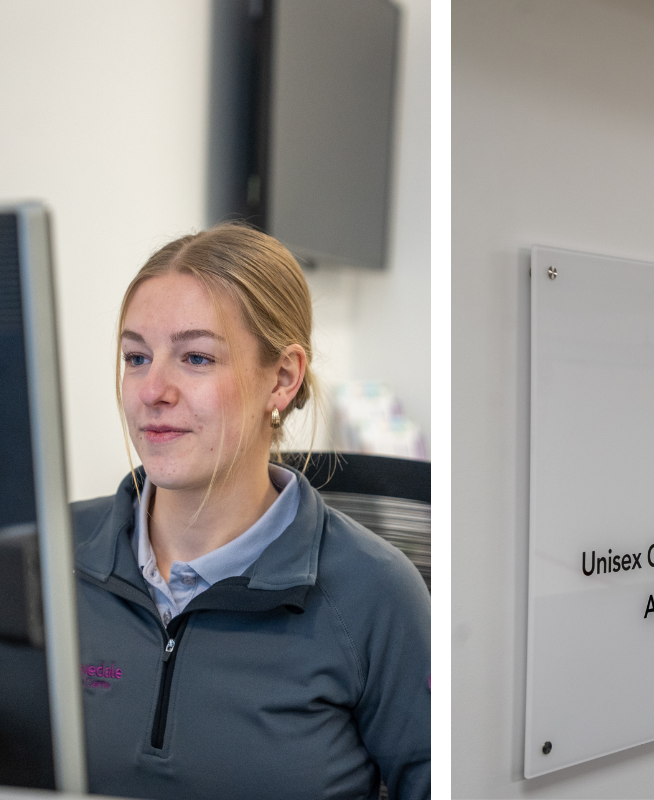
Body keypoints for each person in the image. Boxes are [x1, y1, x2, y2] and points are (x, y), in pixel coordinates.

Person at [69, 223, 430, 800]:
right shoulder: (48, 558)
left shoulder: (374, 593)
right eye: (136, 357)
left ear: (282, 379)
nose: (152, 389)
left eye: (195, 357)